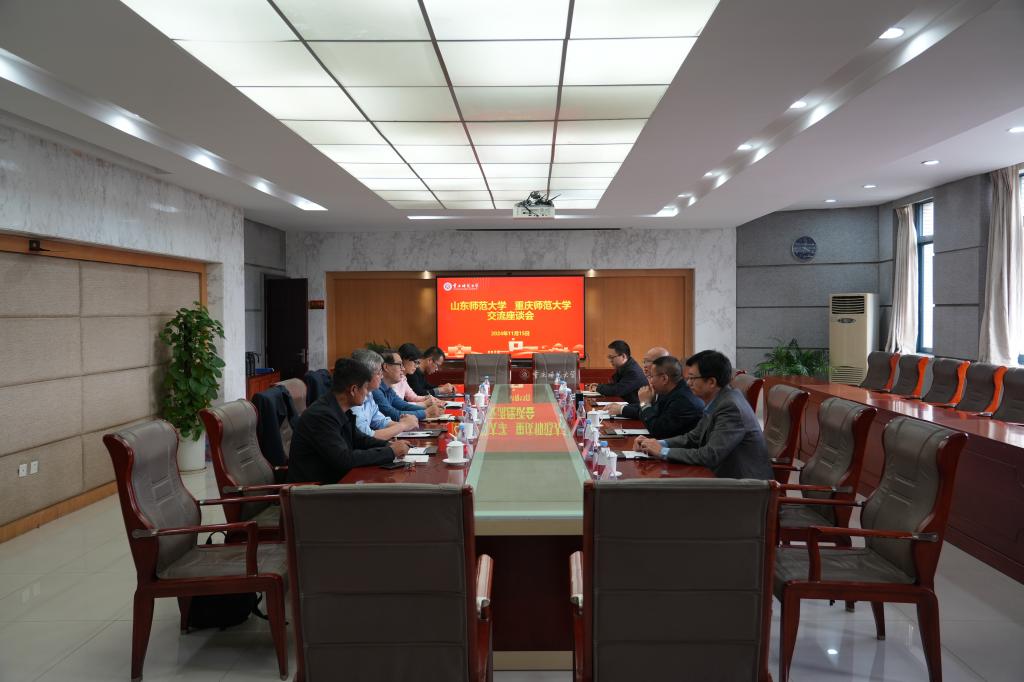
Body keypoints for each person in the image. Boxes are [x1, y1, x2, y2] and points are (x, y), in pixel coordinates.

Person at [635, 350, 772, 480]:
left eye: (692, 378)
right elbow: (693, 437)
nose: (688, 383)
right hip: (722, 477)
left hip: (744, 486)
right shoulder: (719, 400)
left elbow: (710, 455)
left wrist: (662, 452)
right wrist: (656, 444)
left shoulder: (730, 408)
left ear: (711, 382)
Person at [287, 358, 409, 485]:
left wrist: (388, 445)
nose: (367, 393)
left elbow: (360, 439)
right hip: (313, 490)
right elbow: (344, 459)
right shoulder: (321, 416)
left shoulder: (339, 408)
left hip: (334, 483)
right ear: (353, 390)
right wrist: (390, 452)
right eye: (365, 388)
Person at [611, 356, 704, 439]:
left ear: (664, 379)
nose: (650, 381)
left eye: (651, 376)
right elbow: (654, 413)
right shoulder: (670, 391)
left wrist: (645, 403)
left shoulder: (683, 400)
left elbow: (657, 430)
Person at [350, 349, 419, 439]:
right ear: (365, 375)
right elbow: (366, 437)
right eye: (379, 373)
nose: (382, 376)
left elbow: (380, 421)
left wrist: (405, 423)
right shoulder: (353, 398)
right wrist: (403, 425)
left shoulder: (369, 394)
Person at [375, 349, 445, 421]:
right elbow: (394, 414)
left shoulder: (388, 388)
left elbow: (404, 406)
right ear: (386, 367)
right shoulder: (376, 390)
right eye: (399, 365)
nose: (403, 368)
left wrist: (428, 409)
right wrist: (426, 412)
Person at [607, 346, 671, 417]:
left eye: (648, 361)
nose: (644, 365)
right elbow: (644, 407)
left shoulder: (667, 389)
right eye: (644, 361)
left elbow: (652, 414)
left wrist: (622, 409)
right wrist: (622, 407)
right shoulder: (656, 382)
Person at [586, 340, 647, 404]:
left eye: (612, 357)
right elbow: (616, 385)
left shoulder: (633, 371)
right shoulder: (625, 367)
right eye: (609, 357)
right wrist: (599, 386)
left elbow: (618, 390)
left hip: (638, 408)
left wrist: (598, 388)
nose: (610, 360)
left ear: (623, 356)